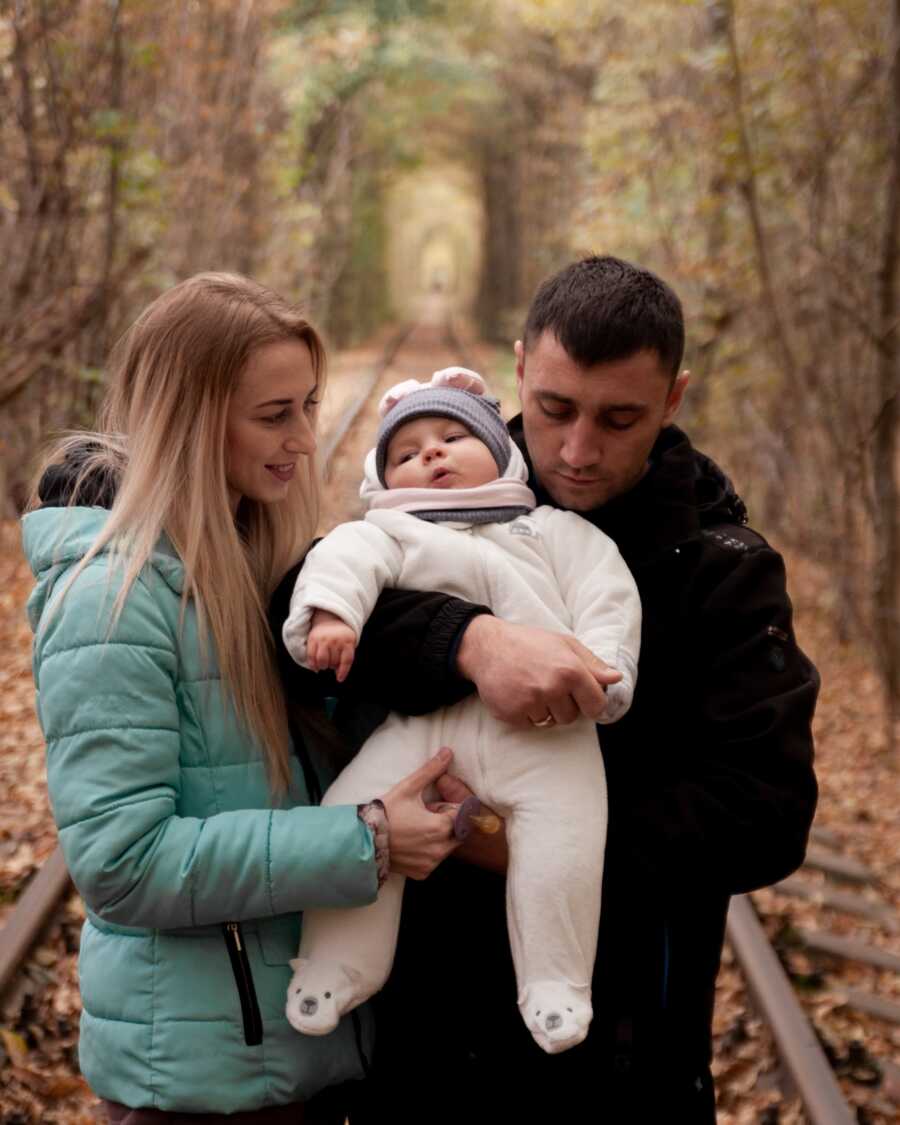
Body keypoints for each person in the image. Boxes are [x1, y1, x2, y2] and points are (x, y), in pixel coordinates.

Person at [272, 255, 819, 1123]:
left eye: (619, 418)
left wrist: (513, 837)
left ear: (673, 400)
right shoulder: (444, 485)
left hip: (621, 1058)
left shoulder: (723, 568)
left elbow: (765, 813)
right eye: (556, 408)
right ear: (521, 367)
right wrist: (470, 642)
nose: (575, 449)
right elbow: (301, 614)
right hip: (419, 1043)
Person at [21, 272, 463, 1123]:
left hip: (291, 1050)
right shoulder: (110, 597)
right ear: (190, 420)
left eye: (308, 405)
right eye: (274, 415)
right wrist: (365, 840)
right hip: (201, 1078)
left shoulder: (259, 557)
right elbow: (122, 862)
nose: (304, 437)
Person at [279, 366, 641, 1054]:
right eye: (406, 453)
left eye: (452, 436)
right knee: (353, 812)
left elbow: (607, 592)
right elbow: (342, 561)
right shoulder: (388, 531)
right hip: (422, 733)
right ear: (385, 482)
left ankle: (556, 983)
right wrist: (332, 615)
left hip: (545, 731)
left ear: (501, 452)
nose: (431, 454)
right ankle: (334, 964)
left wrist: (604, 669)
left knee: (566, 835)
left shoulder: (549, 530)